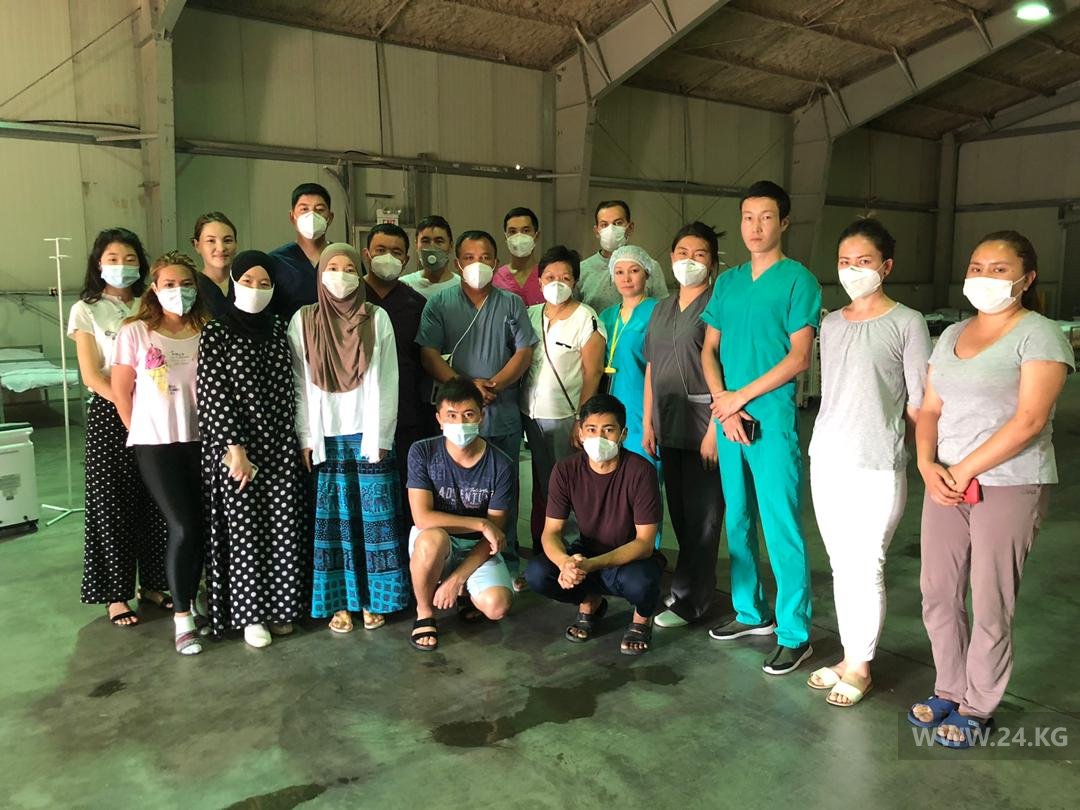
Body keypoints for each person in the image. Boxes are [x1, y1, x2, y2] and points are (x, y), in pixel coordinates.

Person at [909, 231, 1073, 748]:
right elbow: (930, 408)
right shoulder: (951, 334)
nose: (984, 277)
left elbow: (1030, 420)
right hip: (945, 482)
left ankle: (978, 705)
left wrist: (963, 470)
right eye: (977, 267)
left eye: (999, 270)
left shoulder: (1040, 335)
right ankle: (949, 687)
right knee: (938, 592)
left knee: (990, 598)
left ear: (1027, 279)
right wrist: (927, 464)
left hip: (1010, 483)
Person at [806, 219, 931, 706]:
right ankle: (849, 656)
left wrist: (919, 455)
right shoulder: (832, 324)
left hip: (876, 462)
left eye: (864, 261)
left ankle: (861, 666)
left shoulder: (907, 323)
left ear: (886, 266)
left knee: (867, 564)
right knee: (841, 564)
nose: (852, 270)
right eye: (844, 262)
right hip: (828, 458)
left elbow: (920, 402)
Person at [701, 180, 822, 676]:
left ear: (784, 222)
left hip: (769, 421)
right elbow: (709, 349)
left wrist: (739, 398)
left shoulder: (798, 281)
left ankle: (795, 633)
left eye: (766, 217)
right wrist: (723, 404)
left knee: (780, 526)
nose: (755, 226)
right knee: (738, 519)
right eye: (748, 217)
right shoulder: (728, 282)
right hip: (730, 419)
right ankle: (751, 612)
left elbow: (799, 357)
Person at [288, 242, 406, 634]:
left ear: (360, 273)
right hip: (326, 437)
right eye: (332, 268)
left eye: (350, 268)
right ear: (320, 274)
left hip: (367, 436)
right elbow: (298, 384)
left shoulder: (377, 317)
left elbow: (388, 379)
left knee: (375, 522)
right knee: (334, 526)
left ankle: (374, 598)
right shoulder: (303, 321)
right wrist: (306, 437)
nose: (341, 276)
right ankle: (339, 601)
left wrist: (382, 435)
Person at [197, 250, 308, 648]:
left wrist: (297, 439)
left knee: (281, 527)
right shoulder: (217, 332)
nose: (256, 289)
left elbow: (293, 385)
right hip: (236, 449)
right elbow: (213, 394)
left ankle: (280, 608)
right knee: (244, 530)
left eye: (264, 283)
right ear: (234, 283)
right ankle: (251, 616)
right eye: (247, 281)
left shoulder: (279, 328)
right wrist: (235, 449)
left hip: (279, 444)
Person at [417, 229, 537, 582]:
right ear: (458, 263)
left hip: (501, 411)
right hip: (457, 416)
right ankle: (454, 561)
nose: (477, 264)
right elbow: (428, 354)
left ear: (496, 262)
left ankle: (505, 561)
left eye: (485, 258)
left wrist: (494, 384)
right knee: (453, 492)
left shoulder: (511, 304)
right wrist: (469, 388)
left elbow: (524, 351)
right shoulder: (440, 303)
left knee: (504, 493)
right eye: (469, 258)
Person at [68, 228, 169, 627]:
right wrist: (126, 404)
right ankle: (116, 594)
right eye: (112, 259)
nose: (122, 266)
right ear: (98, 264)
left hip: (156, 411)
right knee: (112, 504)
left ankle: (155, 583)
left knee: (156, 500)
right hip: (111, 413)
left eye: (130, 259)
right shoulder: (86, 310)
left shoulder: (151, 303)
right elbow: (92, 375)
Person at [112, 251, 209, 655]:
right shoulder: (136, 332)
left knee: (202, 526)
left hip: (202, 441)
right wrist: (141, 430)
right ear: (154, 288)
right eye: (169, 284)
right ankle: (182, 618)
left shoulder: (208, 330)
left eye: (185, 284)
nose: (177, 291)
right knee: (183, 526)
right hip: (156, 445)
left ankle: (197, 598)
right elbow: (121, 391)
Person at [525, 394, 664, 656]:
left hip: (629, 558)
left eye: (608, 430)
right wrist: (566, 563)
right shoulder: (565, 470)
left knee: (642, 583)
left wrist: (590, 566)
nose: (599, 437)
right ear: (580, 433)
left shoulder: (641, 472)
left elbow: (645, 543)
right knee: (537, 573)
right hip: (586, 552)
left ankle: (641, 618)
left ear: (623, 434)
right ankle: (590, 601)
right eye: (591, 429)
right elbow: (551, 533)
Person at [643, 222, 726, 629]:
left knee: (703, 518)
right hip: (668, 423)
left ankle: (693, 601)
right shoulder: (661, 308)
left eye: (699, 254)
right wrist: (648, 422)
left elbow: (727, 369)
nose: (689, 261)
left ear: (712, 263)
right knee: (678, 513)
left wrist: (714, 430)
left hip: (703, 426)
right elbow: (652, 366)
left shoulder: (718, 306)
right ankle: (683, 587)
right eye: (682, 253)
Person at [406, 378, 516, 651]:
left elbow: (494, 536)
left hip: (477, 547)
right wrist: (480, 523)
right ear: (439, 419)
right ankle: (424, 612)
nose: (460, 422)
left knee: (497, 606)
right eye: (451, 415)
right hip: (436, 542)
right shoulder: (422, 452)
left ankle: (464, 591)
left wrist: (458, 577)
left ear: (481, 416)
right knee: (432, 539)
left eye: (468, 414)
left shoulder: (501, 464)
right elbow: (422, 518)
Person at [519, 245, 606, 550]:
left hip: (565, 417)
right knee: (544, 483)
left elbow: (593, 373)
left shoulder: (586, 318)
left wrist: (581, 420)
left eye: (565, 277)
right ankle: (548, 545)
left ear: (575, 281)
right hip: (531, 415)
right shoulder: (530, 315)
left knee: (569, 484)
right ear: (539, 280)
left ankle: (573, 547)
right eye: (550, 277)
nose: (557, 283)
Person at [361, 222, 438, 524]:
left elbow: (425, 359)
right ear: (366, 254)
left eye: (396, 252)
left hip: (407, 414)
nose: (388, 257)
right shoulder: (349, 297)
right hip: (359, 416)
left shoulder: (416, 304)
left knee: (407, 492)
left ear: (406, 260)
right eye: (380, 250)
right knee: (367, 492)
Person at [597, 245, 661, 470]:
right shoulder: (606, 316)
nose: (626, 278)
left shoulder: (658, 311)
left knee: (644, 470)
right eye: (619, 272)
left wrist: (650, 421)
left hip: (643, 406)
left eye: (634, 271)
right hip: (611, 403)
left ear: (647, 273)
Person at [578, 200, 668, 314]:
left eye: (618, 223)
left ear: (630, 228)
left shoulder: (649, 266)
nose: (611, 229)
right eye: (604, 225)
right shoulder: (582, 270)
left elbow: (664, 312)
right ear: (597, 231)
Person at [270, 182, 335, 322]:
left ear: (330, 218)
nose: (312, 215)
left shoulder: (344, 258)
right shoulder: (276, 262)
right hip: (289, 334)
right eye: (304, 209)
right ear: (292, 217)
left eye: (319, 209)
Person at [190, 211, 238, 318]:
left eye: (228, 240)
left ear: (236, 244)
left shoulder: (246, 283)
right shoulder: (190, 287)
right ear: (197, 246)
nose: (221, 248)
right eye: (211, 241)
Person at [401, 215, 460, 299]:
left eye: (439, 241)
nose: (432, 246)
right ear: (416, 245)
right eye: (425, 241)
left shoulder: (462, 287)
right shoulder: (405, 285)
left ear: (450, 246)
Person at [493, 206, 543, 305]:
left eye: (526, 231)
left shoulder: (548, 276)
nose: (519, 236)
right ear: (506, 237)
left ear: (536, 236)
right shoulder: (495, 279)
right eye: (512, 231)